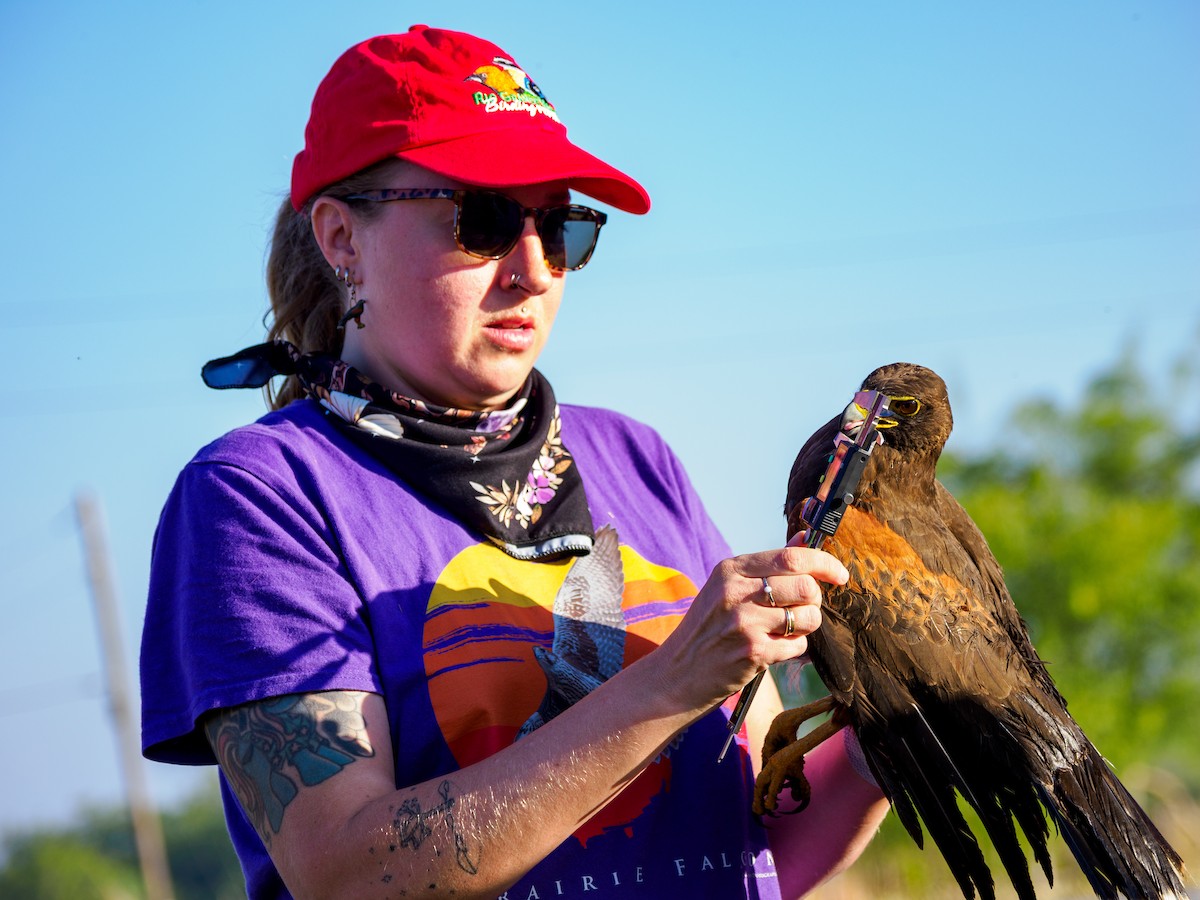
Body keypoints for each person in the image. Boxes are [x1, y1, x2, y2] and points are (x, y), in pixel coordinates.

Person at [140, 24, 889, 900]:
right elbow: (348, 874)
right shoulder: (258, 498)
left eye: (560, 225)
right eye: (484, 220)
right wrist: (672, 681)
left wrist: (897, 741)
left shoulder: (636, 457)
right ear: (343, 239)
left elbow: (754, 848)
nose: (533, 270)